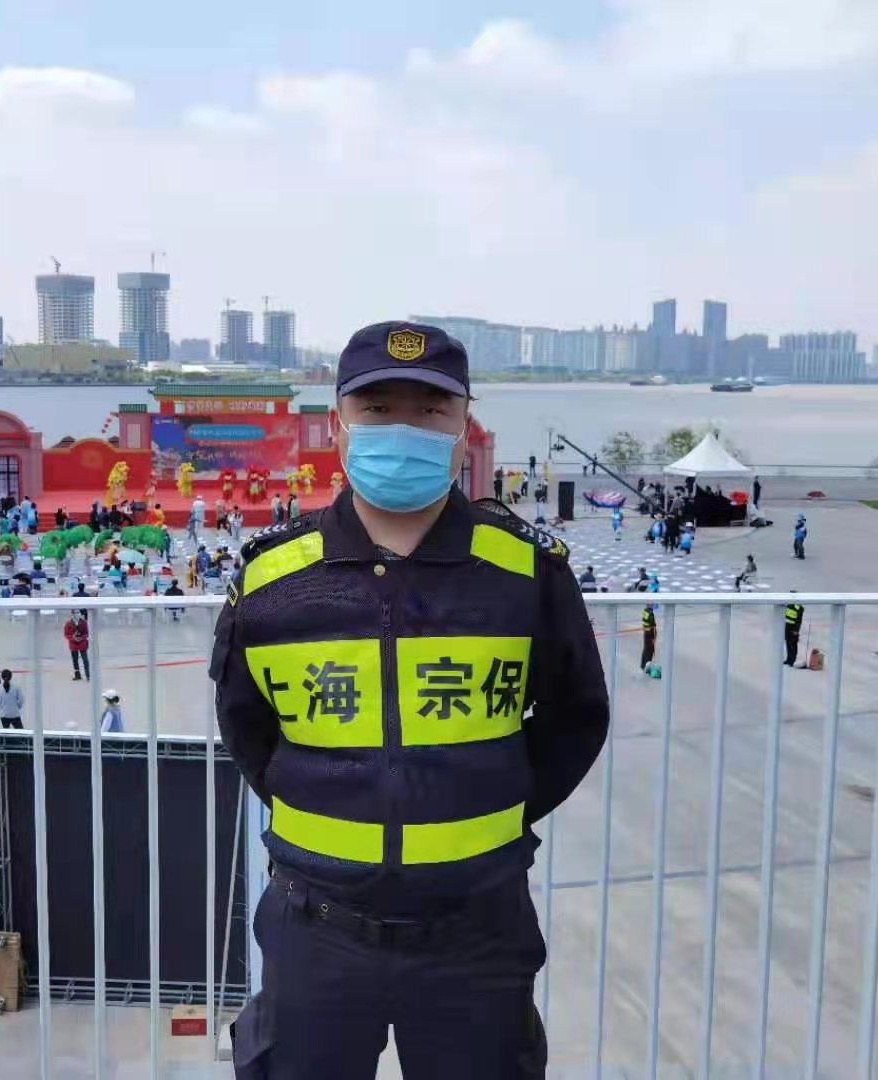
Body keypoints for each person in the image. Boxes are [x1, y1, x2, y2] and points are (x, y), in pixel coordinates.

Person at [211, 321, 608, 1078]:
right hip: (315, 927)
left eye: (430, 411)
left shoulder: (526, 572)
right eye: (377, 409)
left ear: (464, 426)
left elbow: (575, 718)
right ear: (338, 425)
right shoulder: (272, 579)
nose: (403, 430)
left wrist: (481, 805)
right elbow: (248, 727)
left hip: (477, 930)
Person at [64, 611, 90, 681]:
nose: (76, 614)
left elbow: (86, 633)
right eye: (74, 613)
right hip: (73, 644)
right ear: (72, 614)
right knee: (75, 661)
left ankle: (88, 675)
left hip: (82, 644)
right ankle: (77, 675)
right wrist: (73, 638)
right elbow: (66, 634)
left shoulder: (84, 622)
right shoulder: (68, 623)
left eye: (78, 612)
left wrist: (81, 638)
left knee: (85, 660)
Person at [784, 592, 804, 666]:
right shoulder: (788, 604)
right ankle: (788, 659)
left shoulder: (798, 607)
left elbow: (799, 620)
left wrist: (796, 630)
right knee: (788, 643)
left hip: (794, 627)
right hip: (787, 626)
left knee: (793, 644)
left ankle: (793, 660)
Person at [641, 602, 657, 672]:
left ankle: (643, 665)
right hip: (650, 632)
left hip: (646, 632)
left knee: (646, 649)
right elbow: (653, 623)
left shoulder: (645, 611)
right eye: (652, 604)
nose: (653, 605)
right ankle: (647, 667)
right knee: (650, 650)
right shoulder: (650, 613)